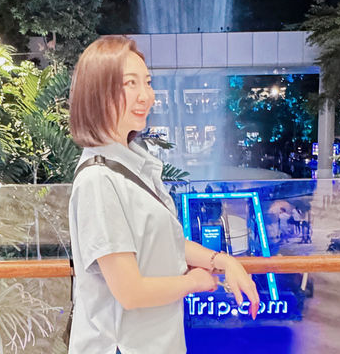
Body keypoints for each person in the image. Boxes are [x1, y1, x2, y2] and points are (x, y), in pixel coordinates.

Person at [68, 36, 259, 354]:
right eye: (130, 83)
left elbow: (162, 241)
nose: (146, 95)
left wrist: (222, 261)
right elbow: (130, 292)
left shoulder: (129, 164)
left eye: (147, 82)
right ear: (98, 93)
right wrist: (194, 282)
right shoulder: (98, 180)